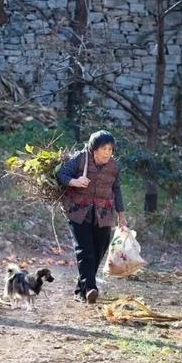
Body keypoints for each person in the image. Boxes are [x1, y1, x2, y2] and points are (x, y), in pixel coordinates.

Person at [56, 130, 127, 304]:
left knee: (99, 250)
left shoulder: (114, 166)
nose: (108, 153)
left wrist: (121, 215)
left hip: (103, 214)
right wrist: (75, 181)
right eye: (104, 148)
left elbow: (116, 189)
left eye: (110, 149)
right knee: (85, 250)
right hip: (79, 212)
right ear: (93, 149)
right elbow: (61, 174)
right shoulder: (80, 158)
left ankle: (81, 290)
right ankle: (90, 288)